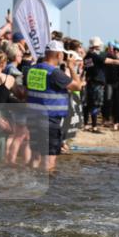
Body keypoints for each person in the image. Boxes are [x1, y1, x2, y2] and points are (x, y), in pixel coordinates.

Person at [26, 40, 82, 171]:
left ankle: (31, 183)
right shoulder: (55, 73)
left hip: (33, 117)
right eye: (63, 54)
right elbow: (77, 86)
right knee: (49, 160)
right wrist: (71, 67)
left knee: (35, 156)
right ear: (58, 55)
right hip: (50, 120)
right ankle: (49, 189)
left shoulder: (32, 69)